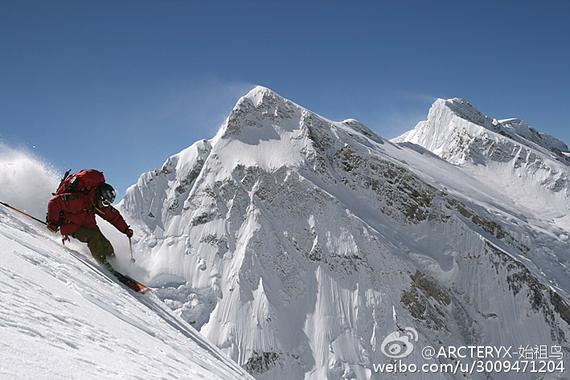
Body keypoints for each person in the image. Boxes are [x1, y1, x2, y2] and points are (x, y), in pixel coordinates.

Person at [46, 170, 133, 270]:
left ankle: (115, 263)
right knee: (93, 237)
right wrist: (52, 222)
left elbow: (114, 216)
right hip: (71, 225)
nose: (104, 205)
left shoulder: (96, 202)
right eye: (104, 202)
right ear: (99, 196)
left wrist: (126, 229)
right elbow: (54, 202)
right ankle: (104, 263)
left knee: (105, 243)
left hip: (86, 223)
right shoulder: (78, 200)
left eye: (107, 203)